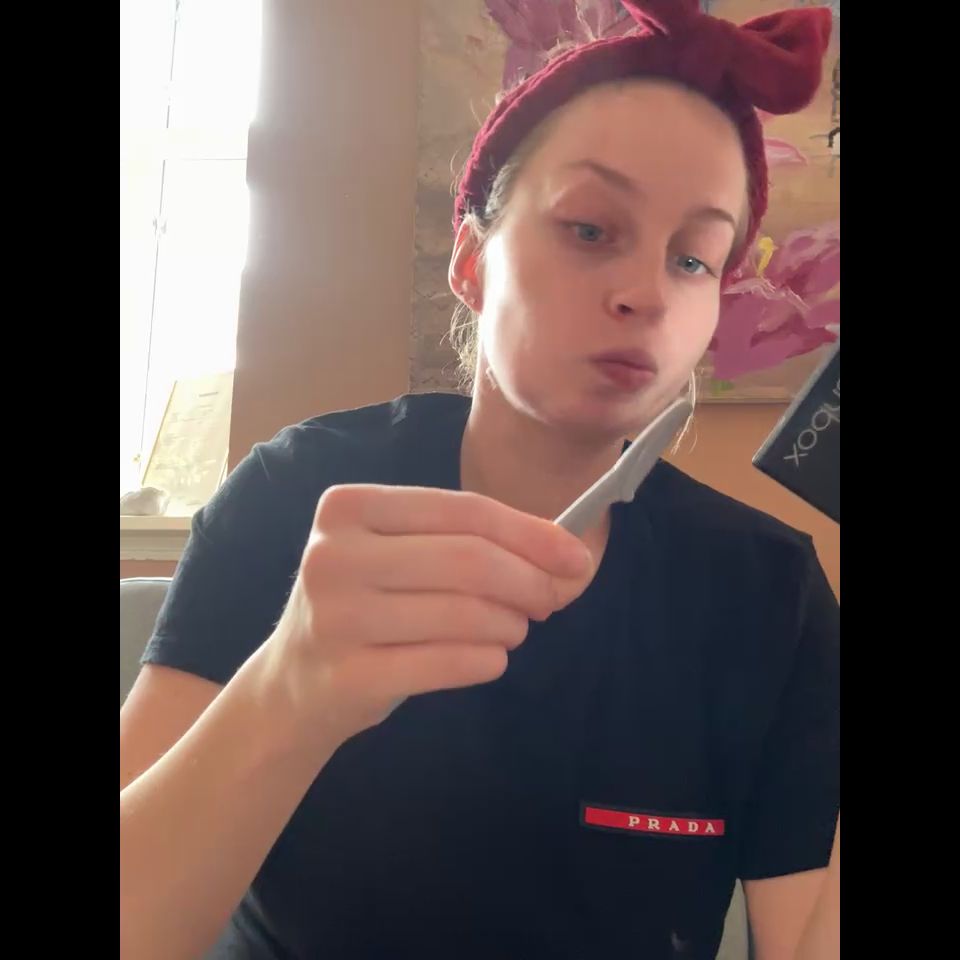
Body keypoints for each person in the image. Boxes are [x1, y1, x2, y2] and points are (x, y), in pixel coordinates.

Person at [119, 2, 840, 957]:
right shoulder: (299, 497)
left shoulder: (769, 591)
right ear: (470, 260)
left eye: (693, 258)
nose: (647, 293)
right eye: (590, 228)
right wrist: (290, 691)